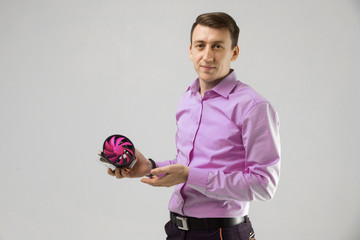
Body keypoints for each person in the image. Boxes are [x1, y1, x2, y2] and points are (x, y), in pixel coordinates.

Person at [107, 12, 281, 240]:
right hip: (177, 231)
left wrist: (190, 176)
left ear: (234, 52)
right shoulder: (187, 99)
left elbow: (264, 184)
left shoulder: (253, 107)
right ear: (190, 51)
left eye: (217, 46)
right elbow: (186, 165)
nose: (207, 56)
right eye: (200, 45)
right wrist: (149, 167)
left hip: (222, 233)